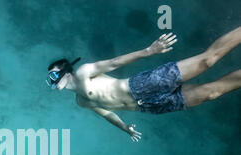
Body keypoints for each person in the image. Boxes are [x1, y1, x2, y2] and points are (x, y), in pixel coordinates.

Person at [47, 27, 241, 141]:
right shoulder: (81, 102)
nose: (51, 82)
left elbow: (114, 63)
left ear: (65, 70)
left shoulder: (83, 73)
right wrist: (125, 128)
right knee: (211, 93)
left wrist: (149, 50)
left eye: (53, 76)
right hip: (149, 107)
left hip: (141, 86)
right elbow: (107, 113)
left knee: (206, 61)